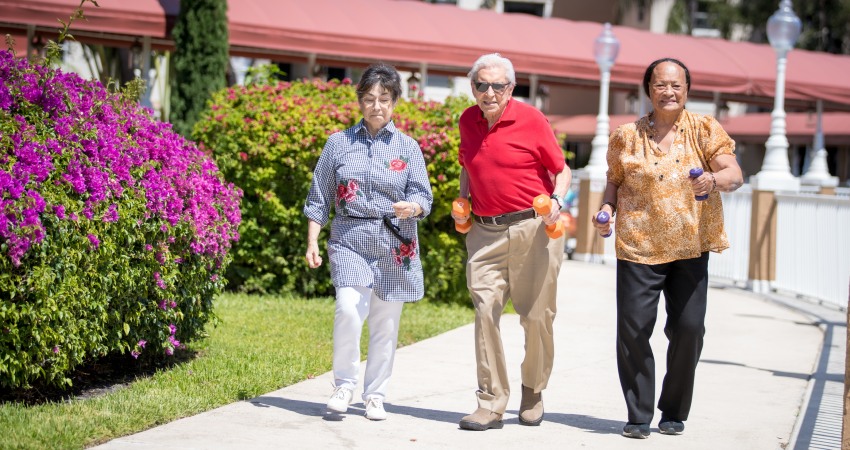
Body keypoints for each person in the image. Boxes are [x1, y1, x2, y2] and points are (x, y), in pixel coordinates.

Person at [592, 58, 743, 439]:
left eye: (676, 85)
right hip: (638, 245)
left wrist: (712, 179)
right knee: (633, 330)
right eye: (661, 85)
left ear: (687, 90)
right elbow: (614, 181)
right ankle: (638, 415)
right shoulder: (625, 136)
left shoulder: (705, 128)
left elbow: (734, 173)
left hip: (690, 245)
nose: (669, 91)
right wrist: (606, 209)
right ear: (649, 90)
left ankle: (673, 410)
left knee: (689, 329)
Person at [304, 63, 433, 421]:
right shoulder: (338, 144)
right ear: (360, 100)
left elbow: (425, 196)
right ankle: (344, 384)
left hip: (395, 243)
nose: (377, 106)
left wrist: (414, 207)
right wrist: (312, 241)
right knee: (348, 308)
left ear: (395, 103)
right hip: (350, 237)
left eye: (385, 99)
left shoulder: (408, 148)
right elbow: (319, 198)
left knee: (385, 324)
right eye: (370, 98)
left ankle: (375, 394)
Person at [451, 53, 571, 431]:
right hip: (484, 232)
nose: (489, 92)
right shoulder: (467, 121)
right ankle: (490, 401)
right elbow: (468, 165)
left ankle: (533, 388)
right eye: (481, 85)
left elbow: (561, 169)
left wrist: (556, 202)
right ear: (473, 88)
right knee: (485, 311)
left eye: (497, 86)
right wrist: (463, 203)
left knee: (536, 317)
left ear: (510, 89)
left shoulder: (532, 119)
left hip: (533, 230)